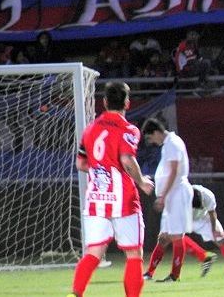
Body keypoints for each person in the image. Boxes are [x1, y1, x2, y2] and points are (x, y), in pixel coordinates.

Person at [67, 82, 154, 297]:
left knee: (93, 253)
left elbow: (81, 164)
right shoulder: (129, 130)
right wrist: (142, 181)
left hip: (96, 199)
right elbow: (126, 158)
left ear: (104, 102)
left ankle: (75, 294)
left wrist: (101, 168)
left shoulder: (90, 129)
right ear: (127, 102)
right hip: (123, 200)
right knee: (134, 254)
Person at [146, 184, 224, 279]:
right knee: (164, 240)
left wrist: (214, 229)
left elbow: (212, 213)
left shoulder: (207, 195)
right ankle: (149, 273)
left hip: (203, 218)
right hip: (182, 217)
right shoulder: (178, 197)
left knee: (221, 239)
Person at [142, 118, 194, 282]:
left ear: (156, 132)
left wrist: (162, 196)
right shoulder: (169, 144)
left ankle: (175, 275)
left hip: (176, 193)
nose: (151, 142)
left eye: (150, 138)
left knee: (177, 235)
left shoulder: (172, 144)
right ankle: (149, 273)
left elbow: (173, 171)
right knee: (164, 237)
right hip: (172, 194)